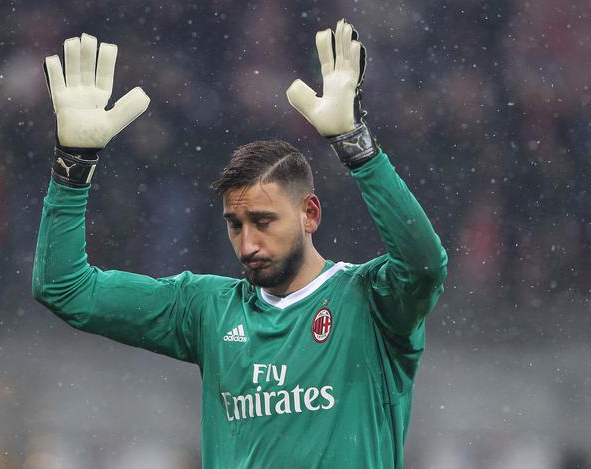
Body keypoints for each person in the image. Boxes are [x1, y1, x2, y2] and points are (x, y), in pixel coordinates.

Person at [33, 19, 448, 469]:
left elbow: (425, 265)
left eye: (263, 222)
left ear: (310, 214)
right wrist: (74, 164)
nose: (248, 243)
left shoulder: (370, 301)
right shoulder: (207, 309)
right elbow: (65, 287)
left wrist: (358, 148)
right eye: (235, 224)